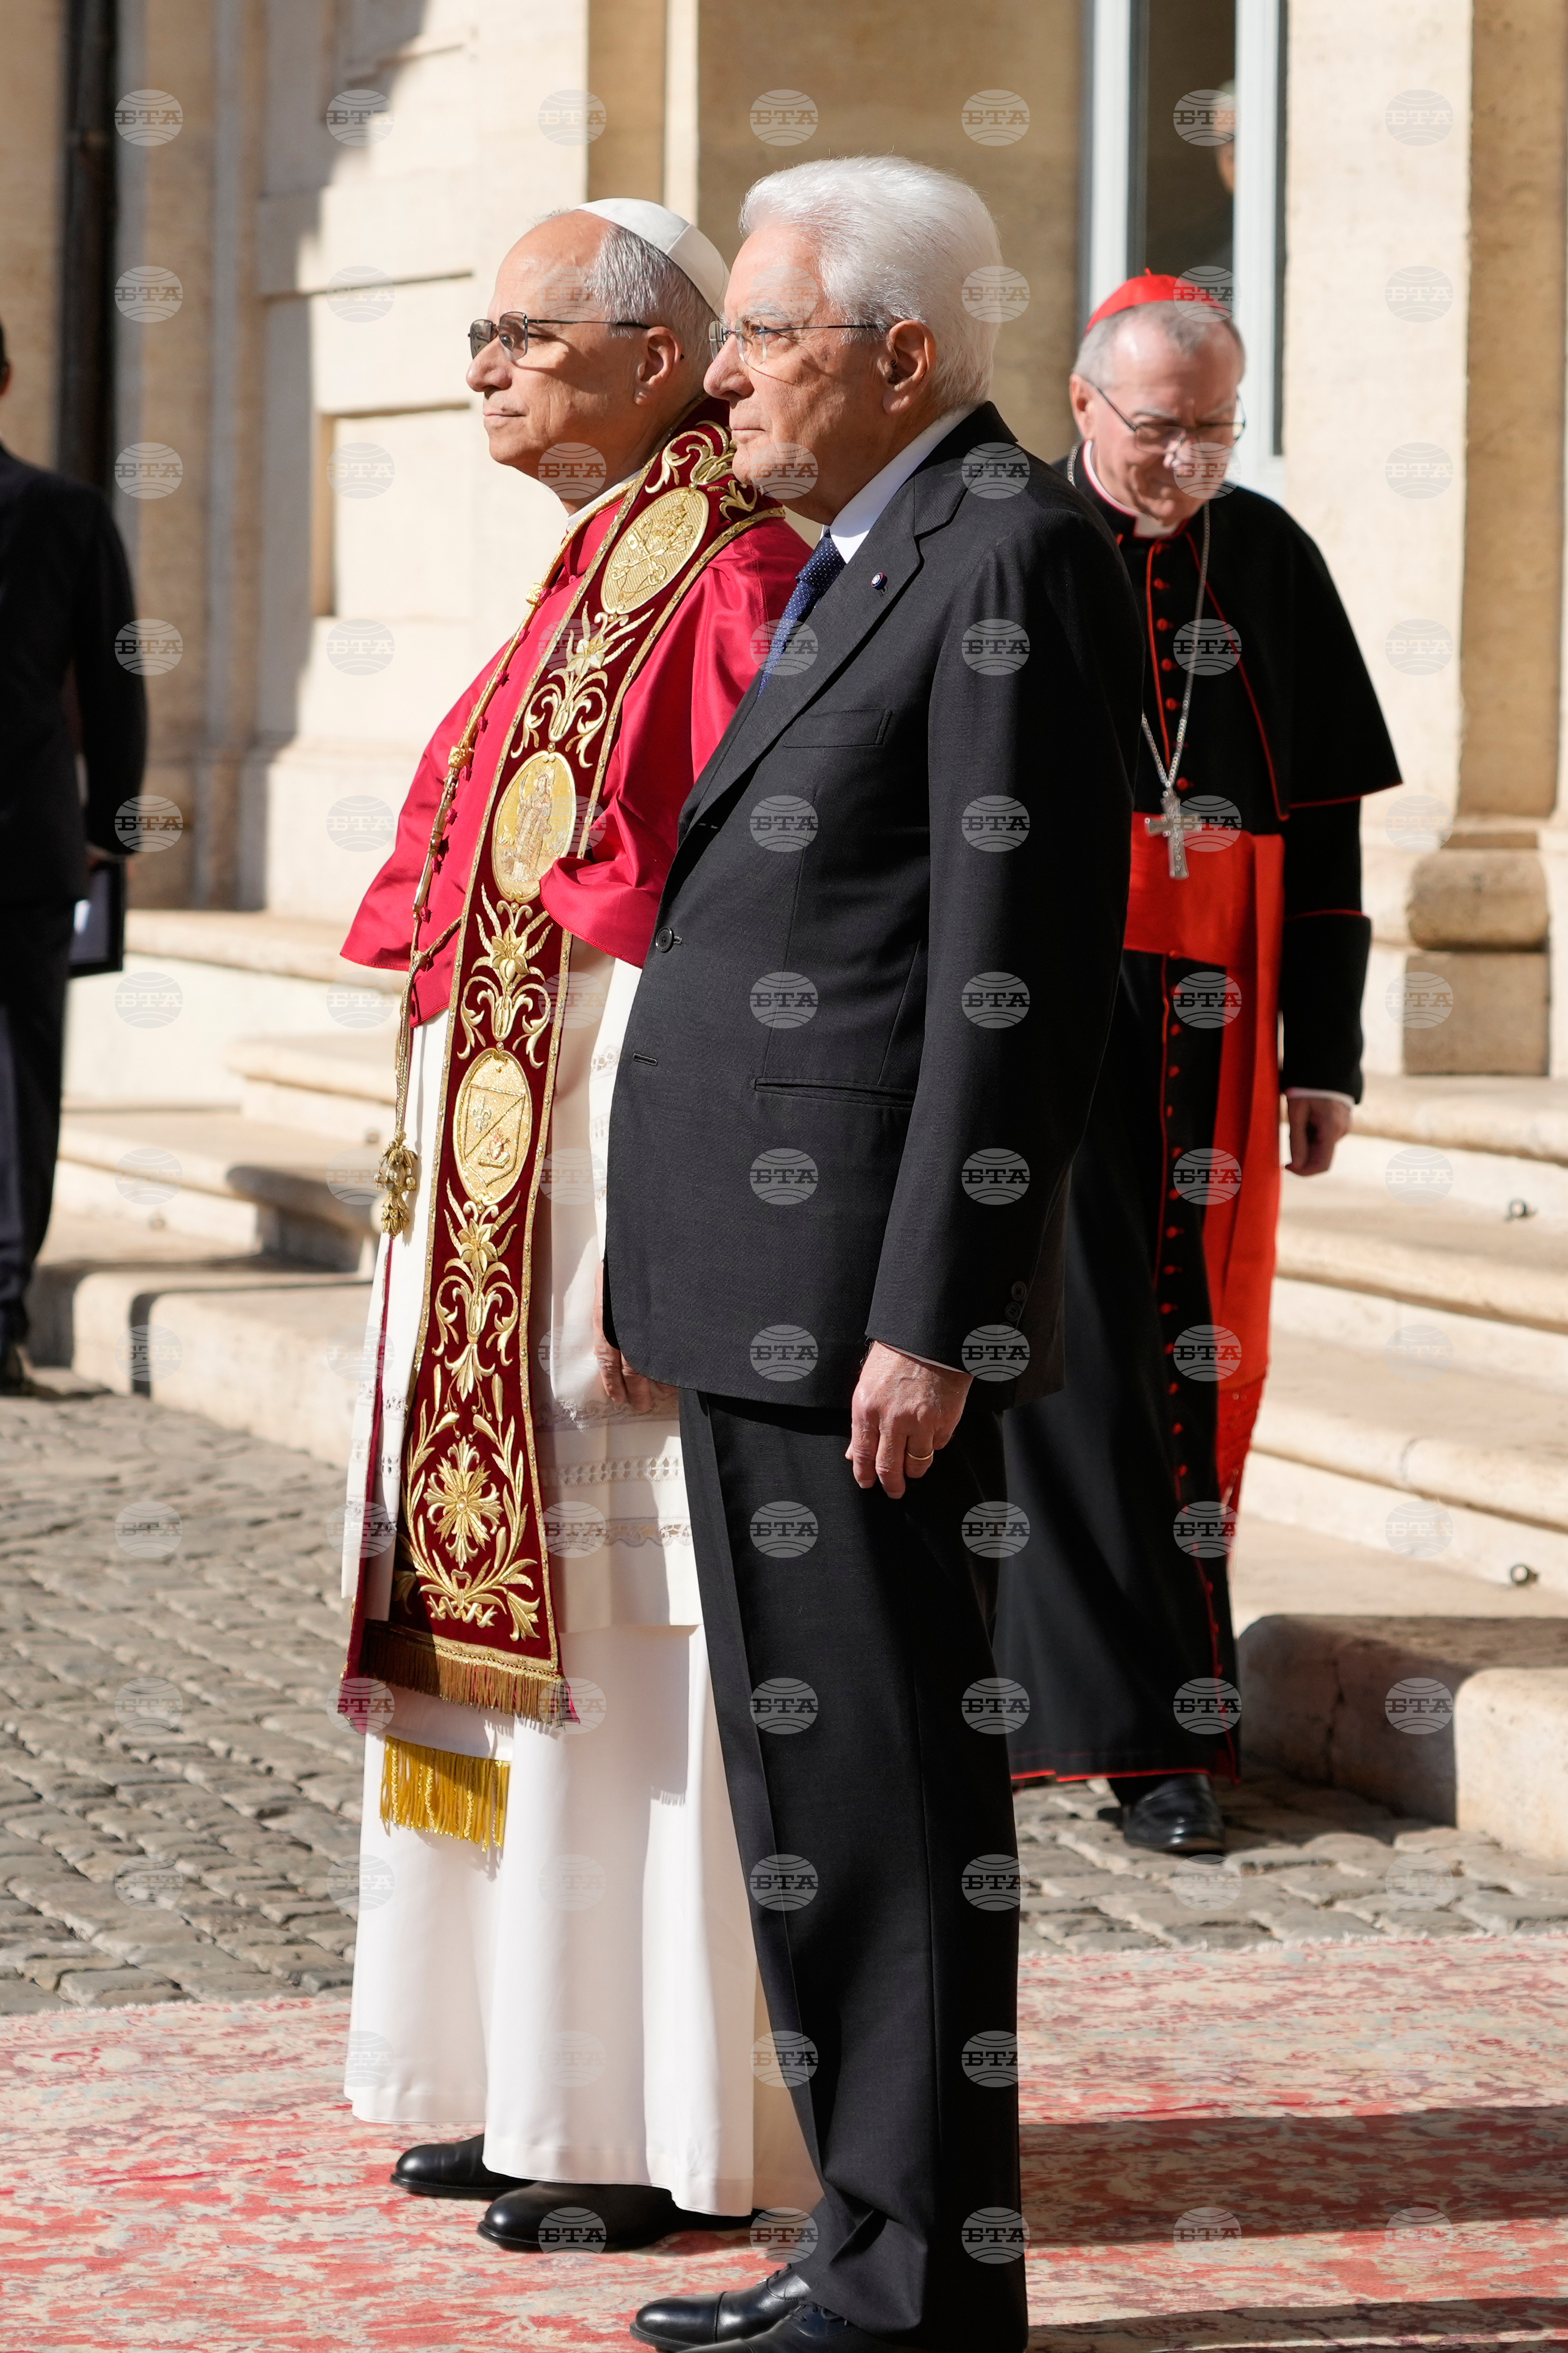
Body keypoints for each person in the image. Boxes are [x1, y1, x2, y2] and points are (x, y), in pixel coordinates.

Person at [605, 158, 1141, 2353]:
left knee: (894, 1806)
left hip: (859, 1320)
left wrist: (935, 1310)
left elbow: (1017, 978)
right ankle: (861, 2237)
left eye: (760, 333)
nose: (717, 373)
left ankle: (922, 2286)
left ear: (898, 356)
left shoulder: (1007, 547)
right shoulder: (859, 546)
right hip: (761, 1295)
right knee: (809, 1787)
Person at [335, 200, 815, 2255]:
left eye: (517, 333)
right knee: (499, 1651)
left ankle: (632, 2121)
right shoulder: (591, 565)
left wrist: (663, 1241)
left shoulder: (730, 578)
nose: (480, 368)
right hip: (482, 1208)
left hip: (608, 1196)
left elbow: (730, 953)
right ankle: (496, 2077)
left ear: (655, 351)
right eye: (472, 333)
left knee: (627, 1657)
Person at [993, 273, 1400, 1855]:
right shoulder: (1008, 538)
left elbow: (1330, 828)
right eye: (1161, 430)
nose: (1187, 463)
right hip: (1042, 1011)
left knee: (1189, 1361)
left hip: (1216, 1023)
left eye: (1216, 431)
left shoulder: (1270, 556)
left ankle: (1151, 1722)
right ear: (1085, 404)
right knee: (1075, 1365)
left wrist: (1330, 1049)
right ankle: (1136, 1733)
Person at [0, 322, 145, 1391]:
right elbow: (114, 679)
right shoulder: (64, 511)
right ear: (7, 378)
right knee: (19, 1074)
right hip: (27, 838)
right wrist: (117, 821)